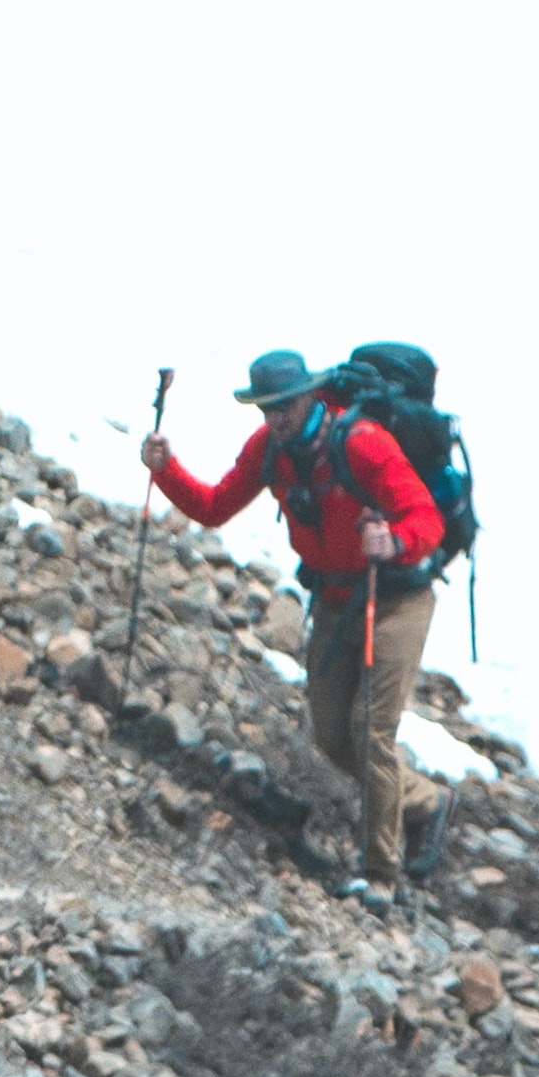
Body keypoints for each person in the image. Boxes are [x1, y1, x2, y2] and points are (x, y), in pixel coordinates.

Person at [142, 351, 451, 902]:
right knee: (331, 735)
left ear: (309, 395)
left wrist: (395, 541)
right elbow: (214, 507)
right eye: (267, 408)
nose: (276, 417)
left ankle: (380, 874)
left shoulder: (364, 443)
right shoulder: (269, 450)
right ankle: (426, 801)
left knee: (370, 730)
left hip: (395, 598)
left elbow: (426, 519)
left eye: (284, 405)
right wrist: (165, 470)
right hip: (333, 599)